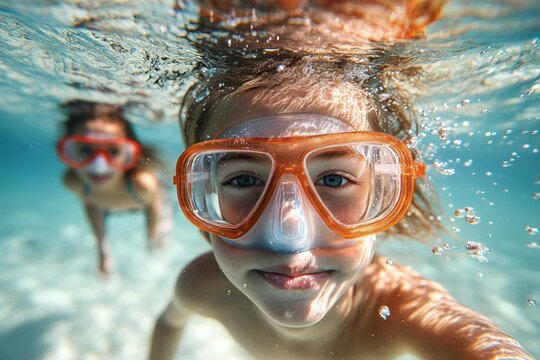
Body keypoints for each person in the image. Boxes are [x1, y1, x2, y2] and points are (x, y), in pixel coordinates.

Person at [150, 1, 532, 359]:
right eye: (244, 179)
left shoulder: (399, 307)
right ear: (204, 196)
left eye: (333, 180)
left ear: (384, 193)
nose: (291, 235)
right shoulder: (202, 284)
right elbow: (168, 323)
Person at [57, 100, 173, 279]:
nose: (99, 165)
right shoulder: (74, 182)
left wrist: (152, 237)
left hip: (145, 200)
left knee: (161, 231)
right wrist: (102, 250)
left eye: (113, 151)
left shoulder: (143, 184)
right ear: (68, 152)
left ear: (129, 154)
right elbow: (91, 205)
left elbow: (154, 207)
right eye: (85, 150)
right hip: (114, 201)